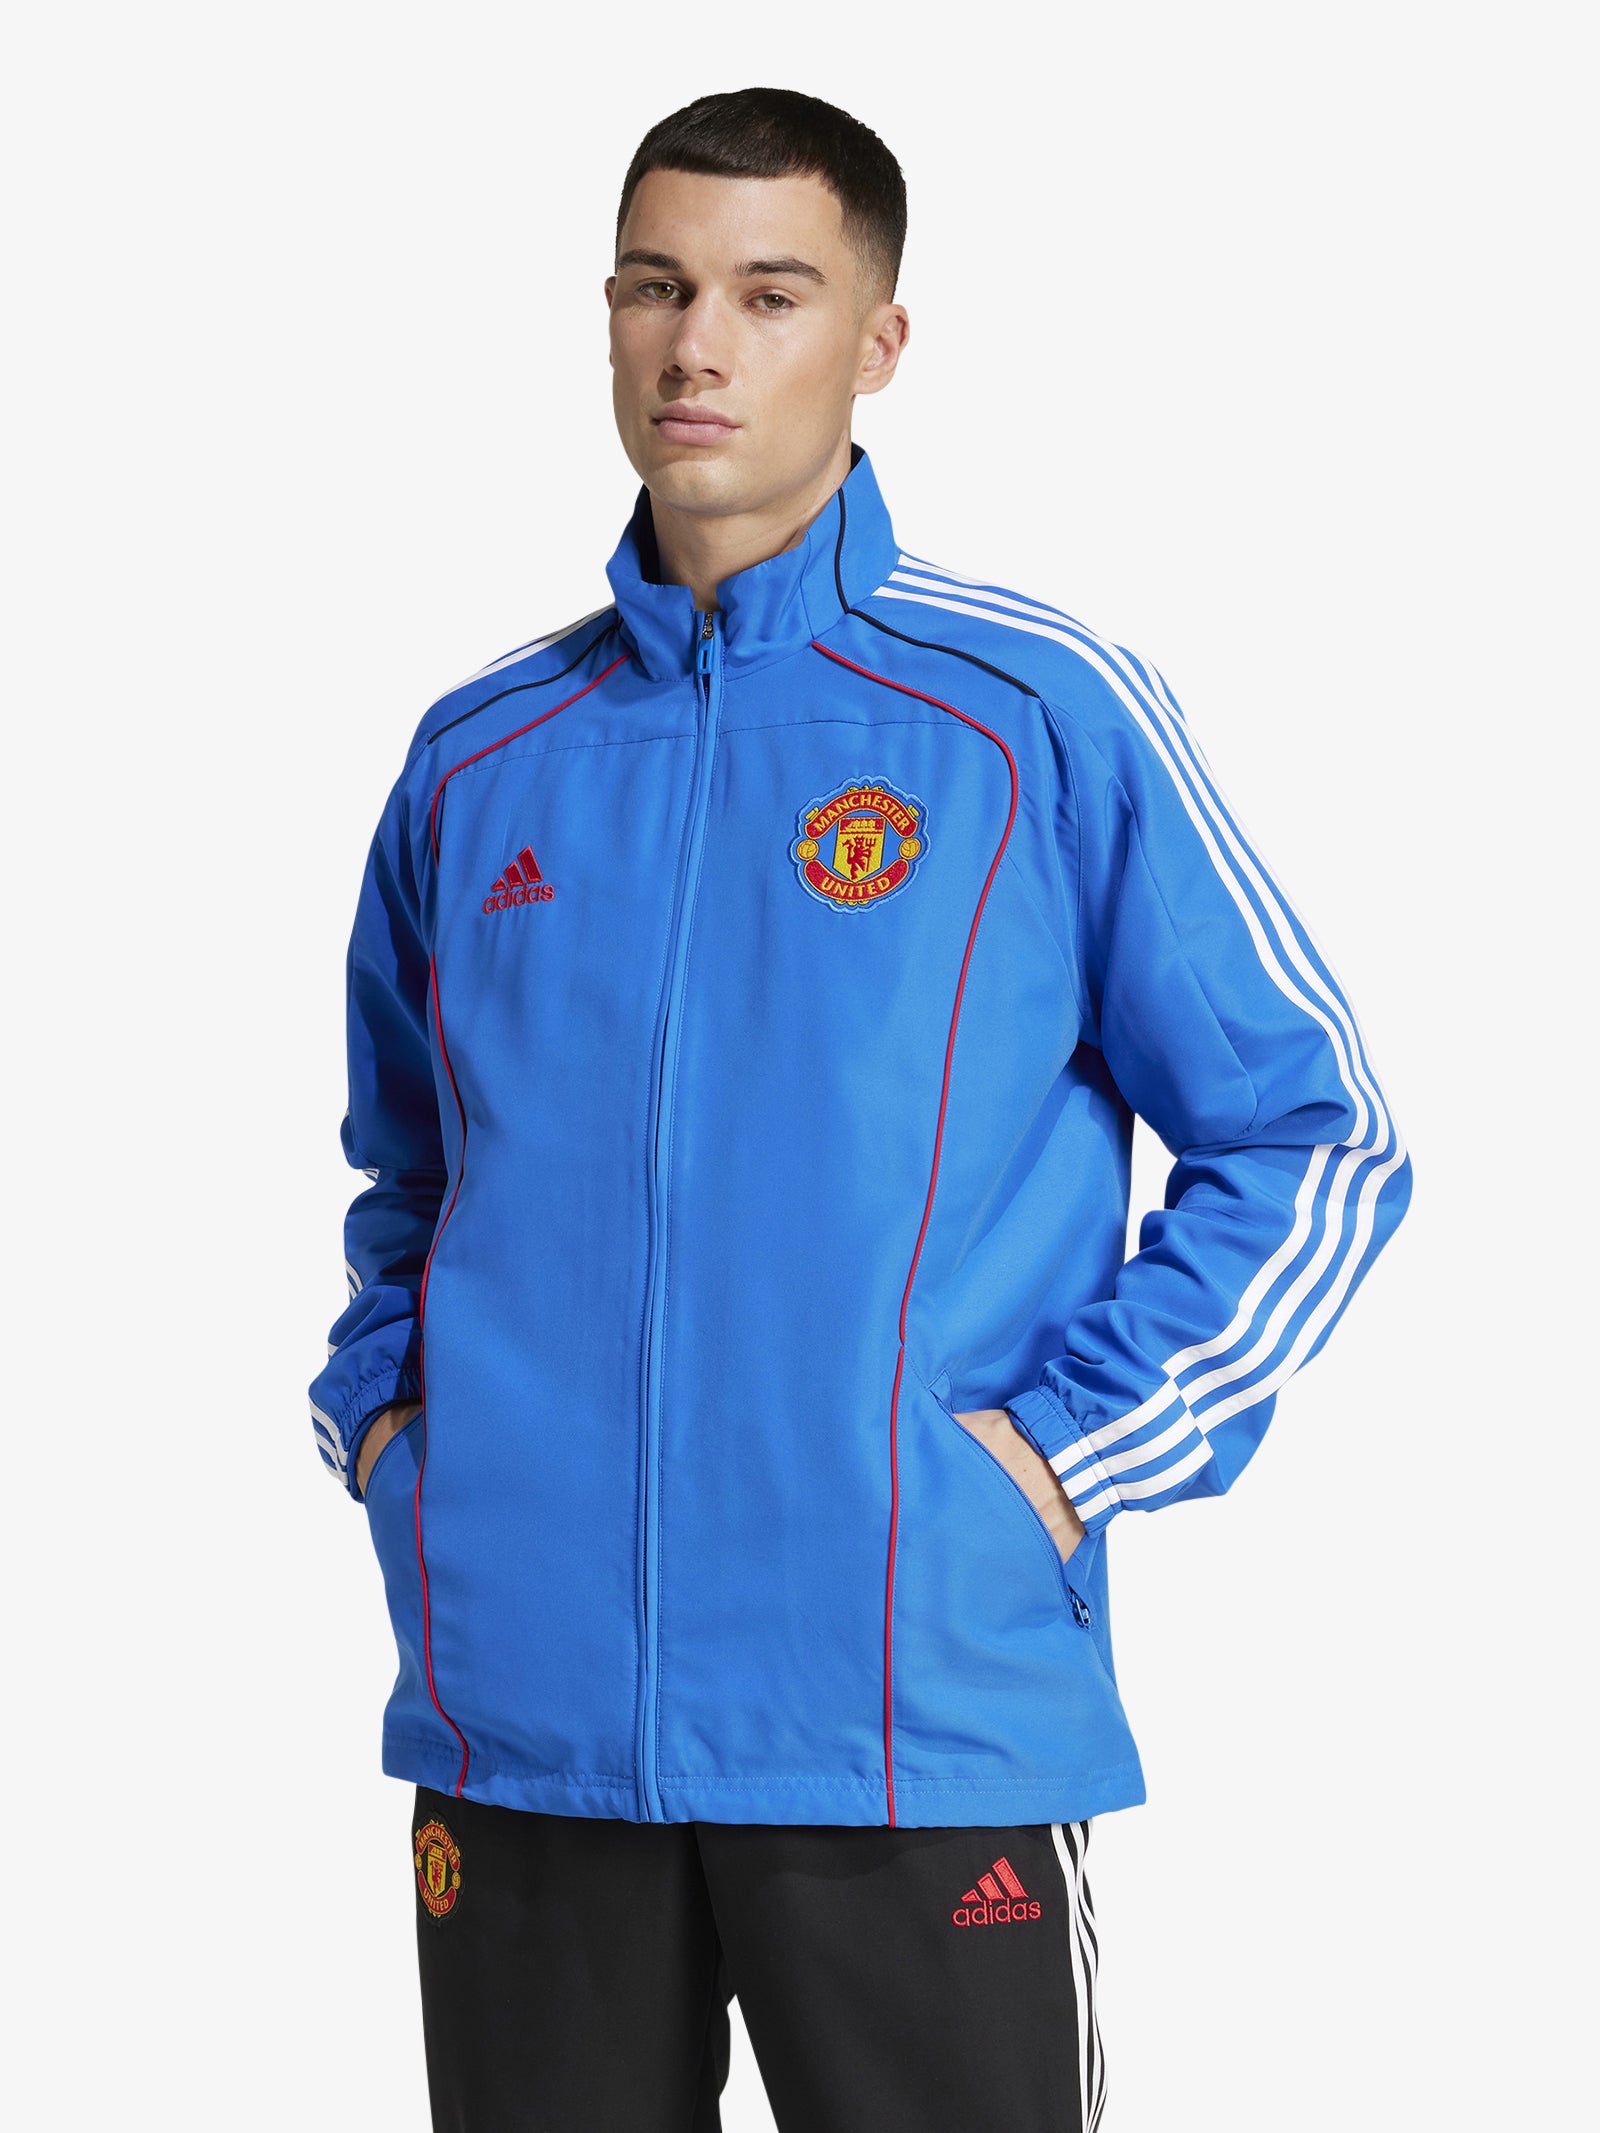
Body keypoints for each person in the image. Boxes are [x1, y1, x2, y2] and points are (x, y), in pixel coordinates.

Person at [308, 85, 1412, 2133]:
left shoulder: (1028, 715)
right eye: (654, 288)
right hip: (525, 1727)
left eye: (767, 293)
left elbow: (1311, 1132)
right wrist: (394, 1431)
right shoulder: (480, 756)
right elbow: (412, 1178)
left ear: (878, 339)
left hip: (911, 1720)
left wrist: (1060, 1457)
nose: (696, 347)